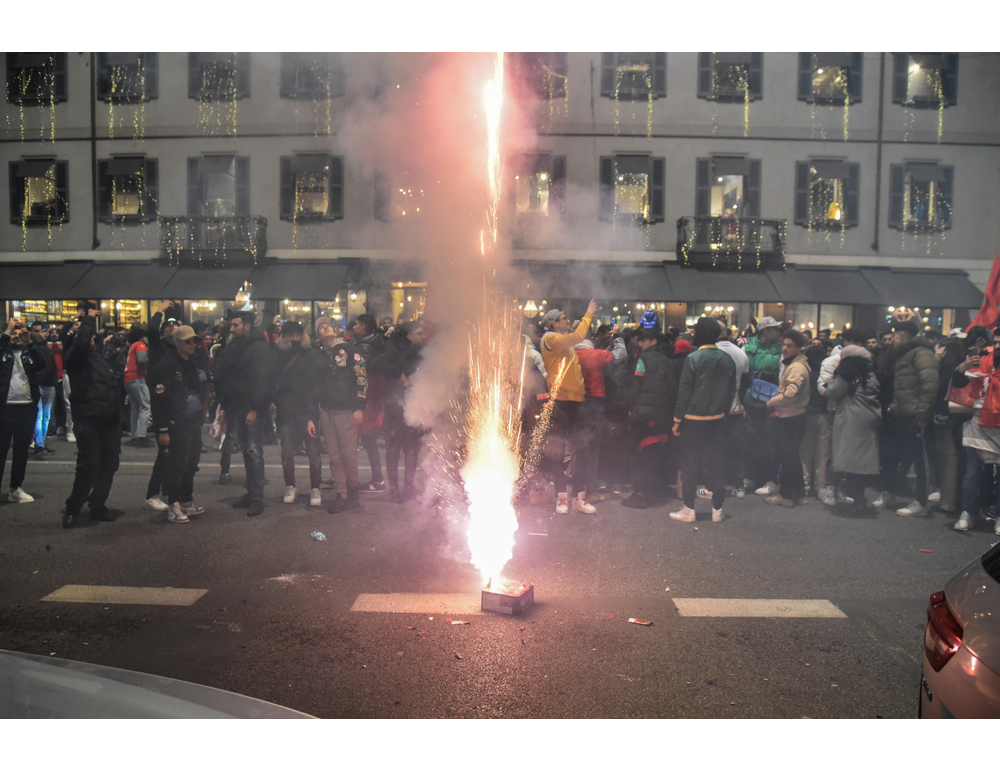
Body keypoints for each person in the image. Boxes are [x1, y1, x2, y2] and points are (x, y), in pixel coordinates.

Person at [669, 317, 735, 523]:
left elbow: (684, 392)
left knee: (690, 463)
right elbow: (732, 391)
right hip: (717, 419)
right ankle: (717, 509)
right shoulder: (727, 359)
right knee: (716, 463)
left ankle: (689, 509)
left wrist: (677, 419)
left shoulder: (693, 358)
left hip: (693, 419)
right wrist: (724, 413)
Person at [62, 308, 122, 529]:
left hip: (109, 420)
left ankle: (97, 505)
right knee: (89, 465)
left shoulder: (99, 360)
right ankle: (73, 508)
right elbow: (80, 343)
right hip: (88, 418)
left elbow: (111, 387)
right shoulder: (75, 360)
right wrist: (88, 319)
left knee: (109, 464)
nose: (91, 340)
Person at [538, 300, 598, 514]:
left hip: (575, 402)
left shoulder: (564, 343)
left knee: (581, 450)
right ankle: (561, 498)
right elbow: (578, 336)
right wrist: (588, 314)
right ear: (554, 323)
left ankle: (579, 498)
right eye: (563, 319)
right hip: (560, 403)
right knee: (558, 452)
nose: (567, 321)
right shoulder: (550, 339)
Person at [214, 310, 273, 517]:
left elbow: (263, 379)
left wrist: (255, 408)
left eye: (236, 325)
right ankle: (251, 492)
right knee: (247, 451)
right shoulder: (235, 346)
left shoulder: (259, 347)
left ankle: (257, 497)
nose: (231, 328)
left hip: (251, 406)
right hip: (237, 405)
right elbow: (226, 375)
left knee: (254, 450)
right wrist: (224, 405)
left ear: (247, 327)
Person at [878, 321, 939, 515]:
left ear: (903, 335)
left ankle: (920, 501)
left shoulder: (922, 353)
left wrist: (921, 414)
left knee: (919, 459)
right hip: (899, 413)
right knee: (891, 455)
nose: (892, 339)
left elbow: (930, 385)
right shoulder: (903, 353)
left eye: (895, 335)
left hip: (913, 414)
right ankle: (889, 492)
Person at [149, 326, 207, 524]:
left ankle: (186, 502)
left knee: (191, 464)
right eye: (187, 341)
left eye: (194, 341)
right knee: (178, 465)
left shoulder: (191, 362)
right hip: (176, 423)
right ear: (176, 342)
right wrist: (163, 429)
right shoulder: (166, 366)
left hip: (192, 421)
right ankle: (173, 504)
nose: (192, 344)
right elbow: (159, 400)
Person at [269, 321, 324, 508]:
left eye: (297, 335)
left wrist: (311, 415)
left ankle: (315, 488)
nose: (294, 338)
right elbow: (272, 380)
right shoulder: (277, 355)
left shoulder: (311, 354)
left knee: (313, 451)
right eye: (290, 335)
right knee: (287, 451)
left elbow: (315, 386)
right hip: (286, 410)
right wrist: (277, 400)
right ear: (283, 336)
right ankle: (290, 486)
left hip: (307, 410)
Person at [315, 316, 367, 512]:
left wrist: (359, 407)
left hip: (347, 410)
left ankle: (352, 492)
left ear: (335, 330)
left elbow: (361, 377)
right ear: (317, 335)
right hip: (327, 410)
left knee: (348, 455)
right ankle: (341, 494)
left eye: (328, 325)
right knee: (334, 456)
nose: (326, 328)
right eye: (321, 327)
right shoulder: (319, 355)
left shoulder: (350, 349)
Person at [371, 320, 425, 503]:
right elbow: (375, 364)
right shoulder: (393, 350)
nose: (423, 336)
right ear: (409, 336)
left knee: (412, 449)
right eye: (419, 333)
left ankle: (409, 486)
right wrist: (397, 374)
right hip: (396, 408)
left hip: (415, 406)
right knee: (394, 449)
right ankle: (394, 488)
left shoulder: (422, 352)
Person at [622, 329, 677, 509]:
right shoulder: (668, 361)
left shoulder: (642, 359)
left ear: (653, 341)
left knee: (639, 454)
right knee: (654, 454)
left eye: (644, 341)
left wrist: (630, 408)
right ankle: (654, 492)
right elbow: (672, 390)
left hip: (643, 414)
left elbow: (636, 385)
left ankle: (640, 494)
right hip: (662, 415)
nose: (640, 344)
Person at [825, 341, 880, 512]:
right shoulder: (870, 374)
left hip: (851, 419)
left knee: (850, 461)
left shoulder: (848, 375)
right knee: (861, 461)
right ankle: (860, 498)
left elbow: (832, 391)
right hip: (868, 418)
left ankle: (857, 500)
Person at [574, 328, 627, 502]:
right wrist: (617, 337)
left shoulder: (569, 355)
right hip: (594, 405)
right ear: (590, 338)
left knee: (578, 450)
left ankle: (577, 491)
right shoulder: (595, 354)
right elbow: (621, 354)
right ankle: (591, 491)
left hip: (575, 405)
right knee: (593, 449)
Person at [763, 329, 811, 508]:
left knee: (788, 457)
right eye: (784, 345)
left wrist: (772, 401)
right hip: (795, 415)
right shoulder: (797, 364)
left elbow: (791, 393)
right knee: (792, 456)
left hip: (790, 416)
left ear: (799, 348)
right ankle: (798, 493)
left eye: (790, 346)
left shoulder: (796, 367)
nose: (785, 348)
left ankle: (786, 495)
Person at [1, 317, 46, 503]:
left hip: (26, 409)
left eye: (20, 334)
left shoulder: (28, 355)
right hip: (4, 409)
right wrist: (7, 331)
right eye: (13, 333)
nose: (16, 336)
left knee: (21, 452)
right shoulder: (3, 353)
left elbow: (42, 364)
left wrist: (30, 343)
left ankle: (15, 489)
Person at [743, 317, 783, 496]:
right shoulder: (748, 347)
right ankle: (750, 476)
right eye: (775, 329)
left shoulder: (781, 348)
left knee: (771, 441)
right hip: (752, 399)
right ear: (766, 330)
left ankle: (771, 479)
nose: (778, 332)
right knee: (751, 439)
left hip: (772, 401)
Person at [713, 319, 749, 499]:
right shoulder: (741, 354)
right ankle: (739, 485)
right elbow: (746, 383)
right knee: (736, 449)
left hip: (714, 410)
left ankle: (715, 485)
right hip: (736, 409)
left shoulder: (710, 352)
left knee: (715, 448)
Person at [351, 314, 386, 492]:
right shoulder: (374, 342)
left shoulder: (364, 346)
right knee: (367, 438)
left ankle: (377, 480)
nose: (354, 327)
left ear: (363, 326)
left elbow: (361, 375)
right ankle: (374, 479)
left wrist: (359, 401)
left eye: (356, 324)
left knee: (367, 439)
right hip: (373, 397)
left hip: (367, 398)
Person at [29, 323, 58, 461]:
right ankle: (39, 445)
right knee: (38, 416)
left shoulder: (47, 348)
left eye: (41, 331)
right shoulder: (31, 347)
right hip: (37, 384)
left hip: (48, 384)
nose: (39, 334)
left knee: (46, 416)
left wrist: (54, 383)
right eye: (36, 331)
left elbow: (52, 365)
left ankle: (40, 442)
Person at [123, 324, 152, 447]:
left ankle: (134, 435)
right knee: (145, 407)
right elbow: (142, 360)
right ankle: (141, 436)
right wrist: (152, 358)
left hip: (128, 379)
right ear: (141, 337)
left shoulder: (132, 346)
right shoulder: (140, 345)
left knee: (135, 408)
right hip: (137, 378)